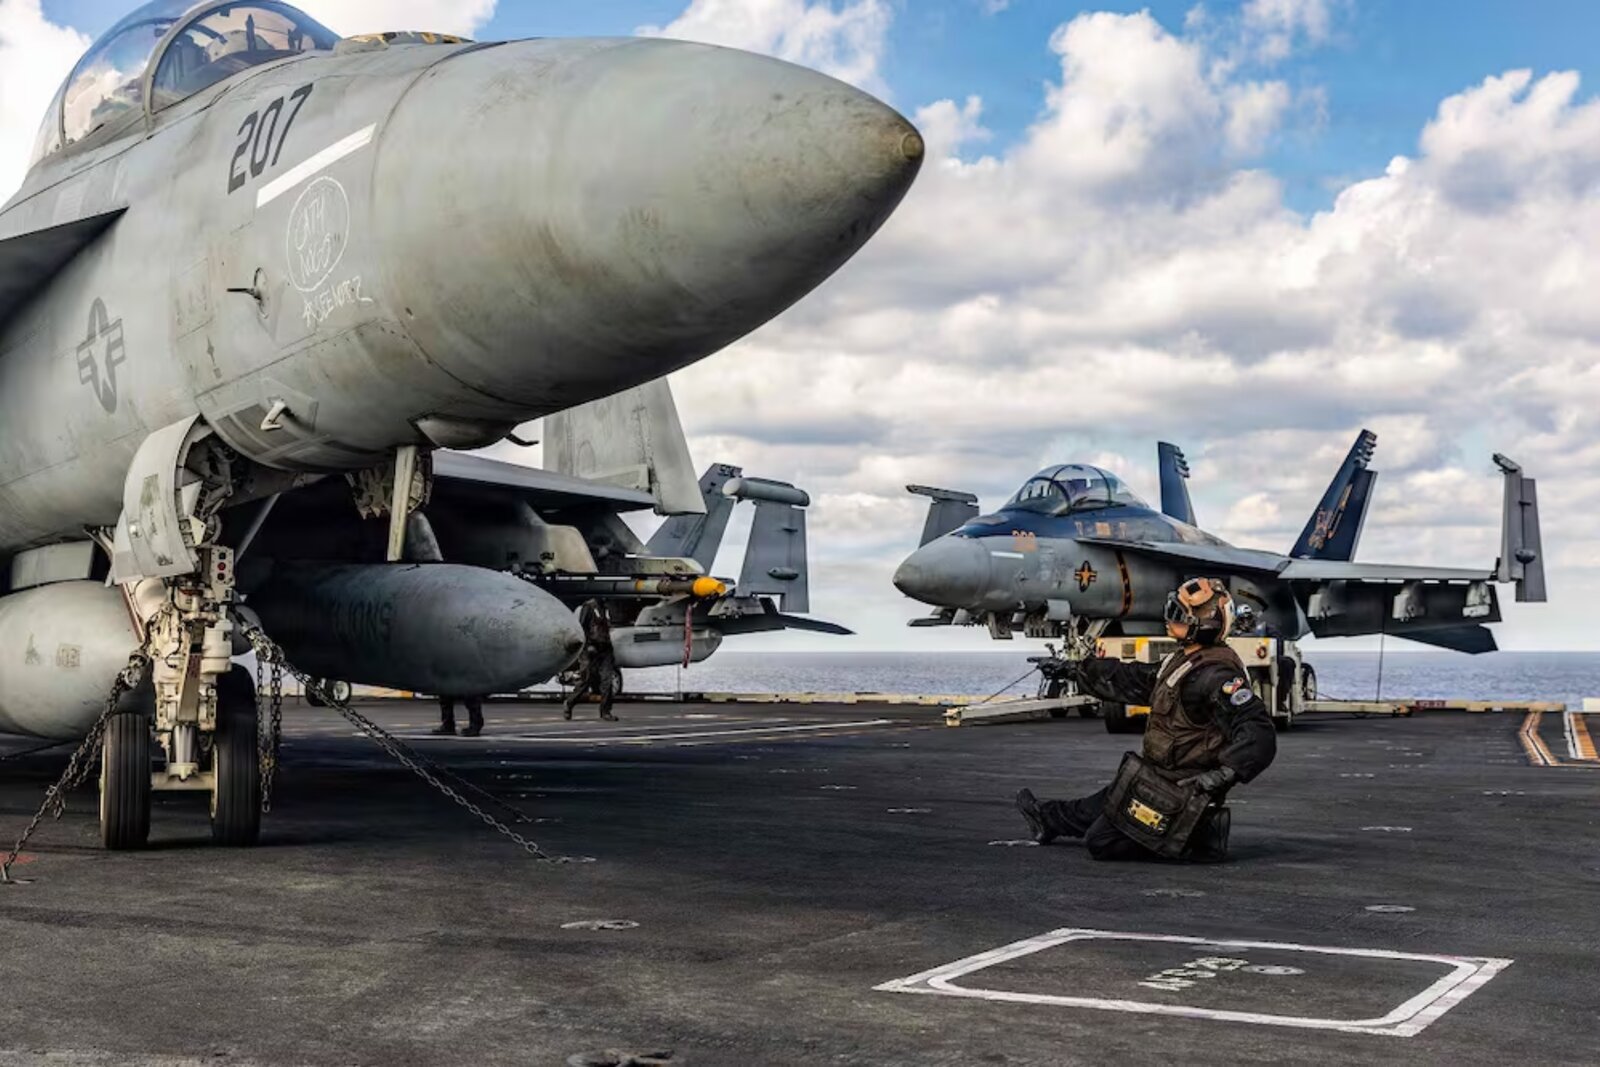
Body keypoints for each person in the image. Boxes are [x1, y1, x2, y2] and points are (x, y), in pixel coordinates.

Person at [1015, 577, 1276, 862]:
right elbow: (1135, 678)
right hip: (1160, 776)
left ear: (1203, 625)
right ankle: (1047, 819)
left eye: (1177, 614)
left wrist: (1221, 776)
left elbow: (1259, 732)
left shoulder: (1216, 676)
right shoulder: (1185, 660)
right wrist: (1073, 670)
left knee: (1101, 841)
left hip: (1185, 790)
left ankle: (1199, 838)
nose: (1168, 620)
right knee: (1114, 797)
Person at [564, 599, 618, 722]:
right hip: (590, 648)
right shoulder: (588, 607)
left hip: (605, 648)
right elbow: (581, 628)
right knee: (586, 679)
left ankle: (605, 711)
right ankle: (569, 703)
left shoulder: (606, 608)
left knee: (607, 681)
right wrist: (588, 645)